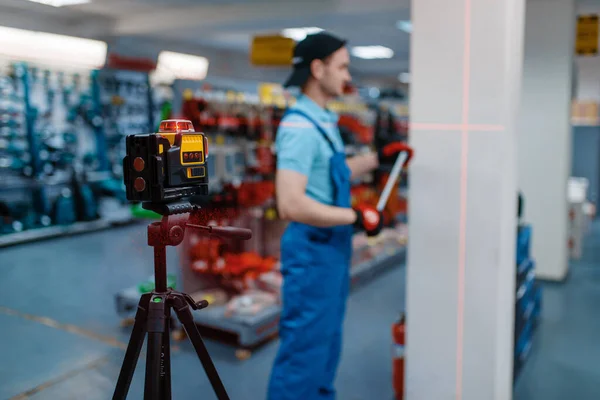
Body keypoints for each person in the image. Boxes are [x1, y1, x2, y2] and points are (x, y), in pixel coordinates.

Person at [267, 32, 408, 400]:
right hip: (312, 254)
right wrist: (356, 217)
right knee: (303, 357)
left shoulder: (321, 120)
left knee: (325, 350)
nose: (347, 75)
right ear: (318, 68)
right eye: (342, 66)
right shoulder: (298, 127)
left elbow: (332, 172)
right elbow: (290, 203)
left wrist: (379, 158)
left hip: (330, 253)